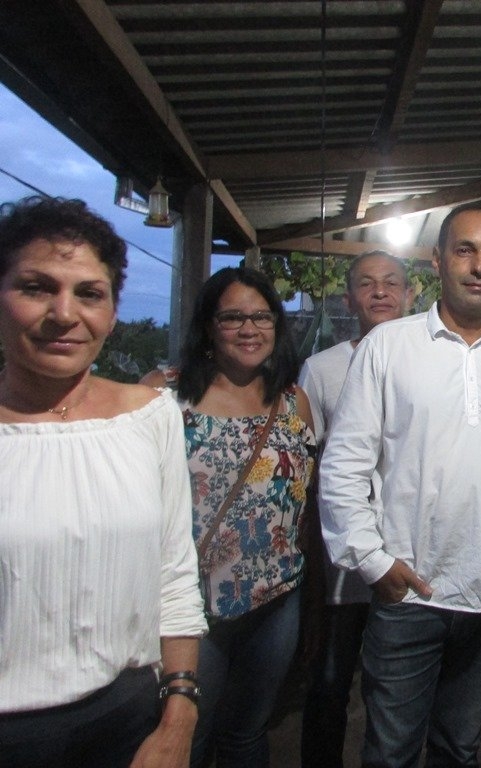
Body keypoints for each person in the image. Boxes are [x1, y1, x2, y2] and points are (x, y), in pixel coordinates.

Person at [319, 202, 481, 767]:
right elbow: (344, 464)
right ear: (437, 261)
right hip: (408, 594)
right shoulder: (389, 346)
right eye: (465, 250)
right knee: (390, 753)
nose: (479, 266)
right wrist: (372, 562)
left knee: (459, 748)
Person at [0, 196, 206, 767]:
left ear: (112, 313)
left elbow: (173, 571)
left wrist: (180, 715)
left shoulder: (149, 416)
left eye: (89, 293)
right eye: (36, 287)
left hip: (128, 715)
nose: (64, 314)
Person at [173, 267, 316, 768]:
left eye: (262, 316)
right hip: (194, 605)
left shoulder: (293, 401)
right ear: (208, 327)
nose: (249, 328)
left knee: (246, 732)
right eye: (232, 317)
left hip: (276, 599)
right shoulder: (170, 399)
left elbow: (306, 497)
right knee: (189, 733)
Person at [299, 250, 412, 768]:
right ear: (348, 300)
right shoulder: (321, 369)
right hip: (343, 567)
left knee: (395, 698)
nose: (380, 292)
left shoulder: (429, 363)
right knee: (328, 688)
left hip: (409, 556)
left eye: (391, 282)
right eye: (367, 284)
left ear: (410, 294)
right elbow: (308, 468)